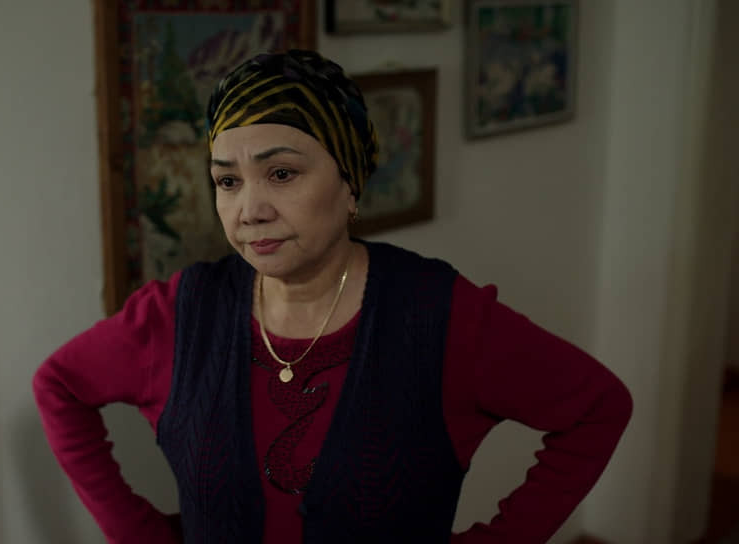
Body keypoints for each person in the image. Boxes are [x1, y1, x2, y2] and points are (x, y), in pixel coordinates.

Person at [33, 50, 632, 543]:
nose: (250, 210)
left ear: (349, 183)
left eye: (282, 174)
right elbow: (58, 385)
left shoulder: (441, 317)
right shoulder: (178, 315)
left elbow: (597, 407)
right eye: (227, 181)